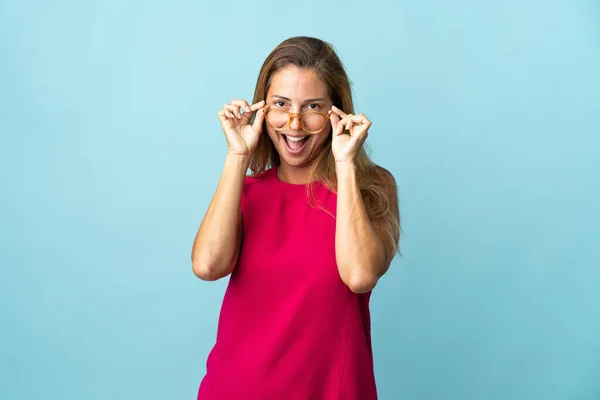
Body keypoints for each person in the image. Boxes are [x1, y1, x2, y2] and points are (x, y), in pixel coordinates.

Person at [191, 36, 401, 400]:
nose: (294, 123)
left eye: (313, 107)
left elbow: (360, 275)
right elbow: (208, 266)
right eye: (280, 105)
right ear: (262, 108)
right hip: (235, 388)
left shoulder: (370, 186)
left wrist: (346, 164)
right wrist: (237, 156)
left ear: (337, 112)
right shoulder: (245, 191)